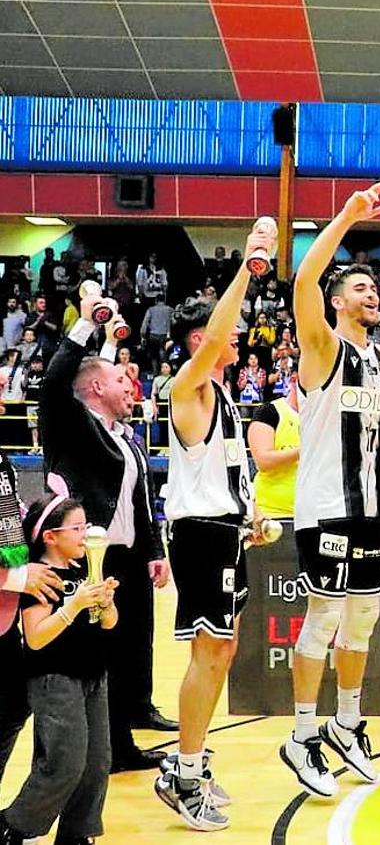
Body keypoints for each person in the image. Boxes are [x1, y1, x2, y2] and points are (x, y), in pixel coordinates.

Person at [280, 180, 380, 799]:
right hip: (325, 507)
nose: (372, 292)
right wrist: (347, 217)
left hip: (370, 510)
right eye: (359, 285)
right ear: (335, 301)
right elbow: (303, 282)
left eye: (375, 288)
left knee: (364, 617)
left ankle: (346, 723)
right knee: (324, 615)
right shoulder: (323, 346)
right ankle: (300, 736)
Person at [154, 223, 271, 832]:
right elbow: (222, 330)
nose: (238, 342)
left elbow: (224, 467)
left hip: (225, 528)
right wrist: (246, 273)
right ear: (203, 340)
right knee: (209, 651)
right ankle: (185, 770)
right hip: (199, 533)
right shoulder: (187, 386)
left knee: (222, 650)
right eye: (224, 338)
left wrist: (249, 511)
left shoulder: (221, 397)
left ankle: (190, 763)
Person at [40, 295, 173, 773]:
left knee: (132, 646)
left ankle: (126, 735)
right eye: (121, 379)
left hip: (128, 556)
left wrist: (153, 550)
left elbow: (140, 502)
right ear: (96, 386)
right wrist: (85, 324)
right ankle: (100, 750)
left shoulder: (123, 435)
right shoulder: (71, 423)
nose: (131, 384)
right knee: (99, 654)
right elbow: (56, 381)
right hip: (87, 559)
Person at [0, 494, 118, 845]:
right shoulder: (40, 578)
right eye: (77, 528)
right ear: (51, 536)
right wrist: (74, 604)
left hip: (94, 675)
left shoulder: (88, 567)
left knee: (97, 764)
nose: (86, 534)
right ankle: (15, 825)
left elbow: (109, 624)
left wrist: (106, 604)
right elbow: (35, 638)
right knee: (64, 762)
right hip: (56, 677)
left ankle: (78, 832)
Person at [0, 451, 64, 784]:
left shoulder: (2, 461)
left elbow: (13, 516)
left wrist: (59, 521)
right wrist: (19, 578)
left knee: (14, 703)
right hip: (8, 593)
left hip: (4, 615)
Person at [248, 365, 301, 520]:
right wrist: (303, 450)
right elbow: (263, 461)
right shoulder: (270, 412)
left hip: (312, 515)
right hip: (273, 514)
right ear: (294, 379)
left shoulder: (322, 419)